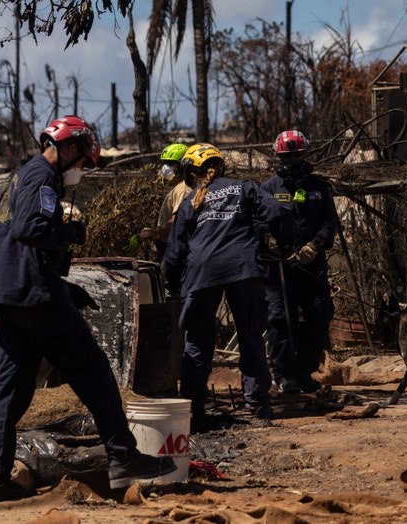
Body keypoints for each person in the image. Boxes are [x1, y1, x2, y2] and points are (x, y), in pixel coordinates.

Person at [0, 116, 176, 504]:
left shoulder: (23, 176)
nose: (80, 170)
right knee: (93, 370)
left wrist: (65, 285)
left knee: (12, 391)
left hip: (12, 295)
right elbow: (31, 230)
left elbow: (21, 246)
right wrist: (71, 234)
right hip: (33, 297)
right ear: (68, 148)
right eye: (82, 161)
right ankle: (123, 456)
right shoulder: (43, 178)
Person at [164, 143, 285, 426]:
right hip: (244, 269)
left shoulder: (190, 201)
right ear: (221, 167)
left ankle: (194, 411)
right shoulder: (244, 187)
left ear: (191, 174)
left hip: (202, 273)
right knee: (251, 337)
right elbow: (277, 213)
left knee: (197, 342)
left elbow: (175, 251)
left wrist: (172, 284)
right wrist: (262, 233)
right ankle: (258, 408)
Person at [260, 130, 338, 394]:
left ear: (305, 153)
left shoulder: (318, 187)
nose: (292, 160)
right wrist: (269, 239)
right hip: (280, 270)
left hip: (312, 267)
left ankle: (305, 372)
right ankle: (284, 376)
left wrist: (314, 246)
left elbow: (330, 222)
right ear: (278, 157)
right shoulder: (268, 188)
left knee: (320, 313)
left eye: (297, 154)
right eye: (286, 156)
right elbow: (258, 222)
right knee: (281, 320)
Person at [126, 143, 192, 261]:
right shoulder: (178, 188)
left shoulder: (182, 189)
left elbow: (176, 221)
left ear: (183, 166)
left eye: (171, 163)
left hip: (175, 251)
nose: (166, 168)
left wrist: (152, 233)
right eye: (165, 163)